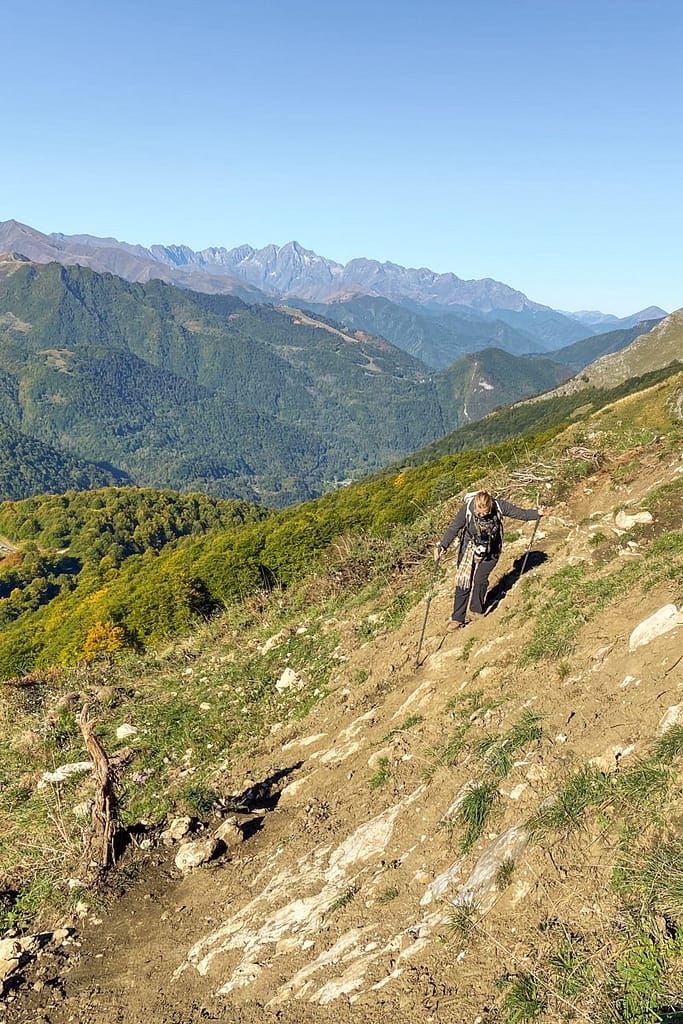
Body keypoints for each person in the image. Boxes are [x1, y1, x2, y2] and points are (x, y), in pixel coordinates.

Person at [434, 489, 548, 630]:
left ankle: (476, 609)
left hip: (492, 547)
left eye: (485, 512)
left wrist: (537, 514)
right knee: (464, 581)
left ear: (490, 505)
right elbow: (454, 528)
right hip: (469, 545)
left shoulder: (499, 506)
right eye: (479, 512)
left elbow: (520, 514)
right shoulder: (467, 509)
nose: (482, 515)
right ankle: (457, 619)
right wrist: (442, 546)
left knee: (480, 579)